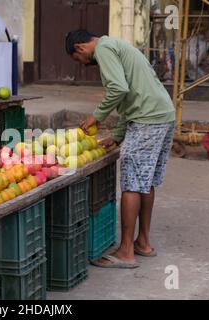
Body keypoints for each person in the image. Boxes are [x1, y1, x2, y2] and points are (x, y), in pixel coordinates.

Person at [66, 30, 176, 269]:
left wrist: (96, 117)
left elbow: (118, 89)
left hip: (148, 120)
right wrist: (117, 136)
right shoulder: (118, 46)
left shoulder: (104, 49)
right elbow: (132, 94)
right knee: (145, 181)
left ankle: (126, 251)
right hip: (163, 115)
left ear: (80, 47)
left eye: (78, 60)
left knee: (132, 184)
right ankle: (143, 242)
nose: (83, 65)